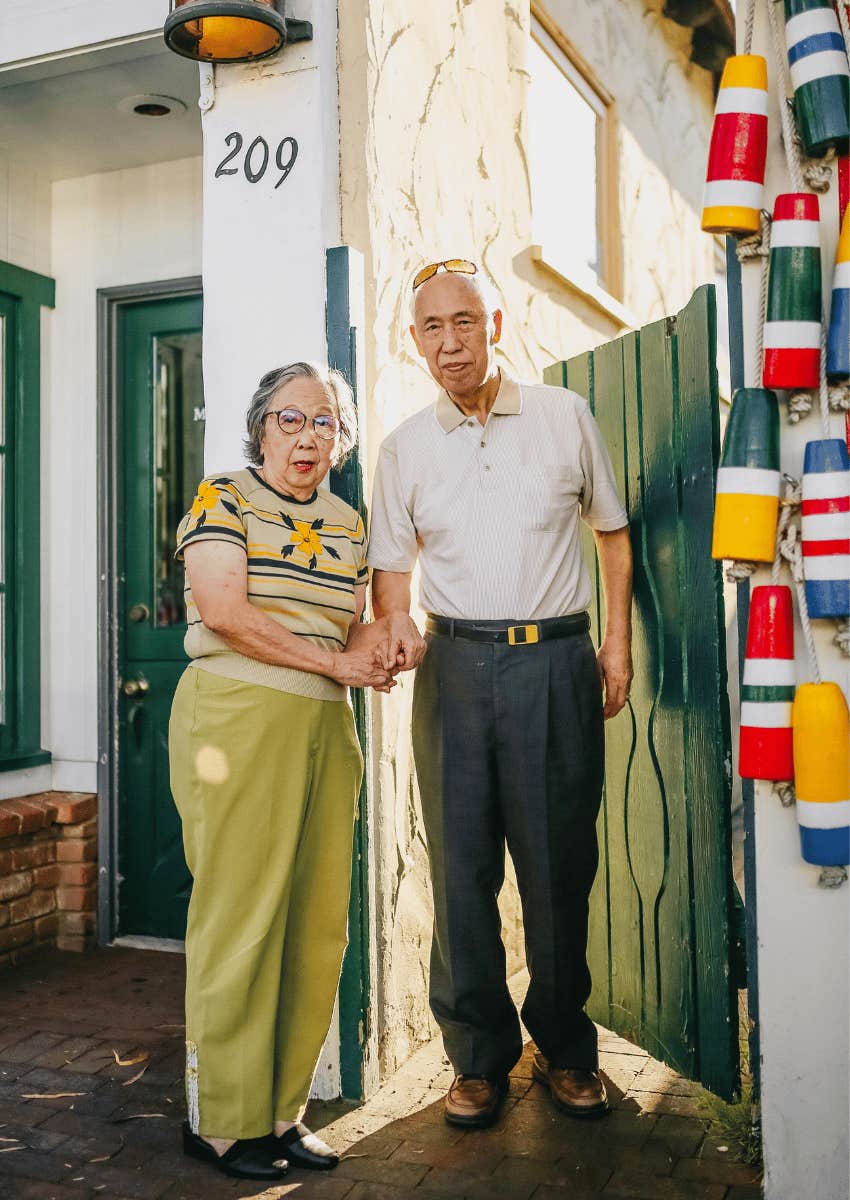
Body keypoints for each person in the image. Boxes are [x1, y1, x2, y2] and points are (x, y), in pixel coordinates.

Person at [369, 259, 633, 1129]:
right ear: (415, 343)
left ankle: (563, 1048)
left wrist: (616, 643)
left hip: (554, 662)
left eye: (464, 322)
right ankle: (478, 1058)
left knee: (559, 868)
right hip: (452, 669)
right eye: (432, 329)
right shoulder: (404, 447)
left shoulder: (565, 417)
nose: (450, 343)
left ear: (496, 325)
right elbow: (392, 573)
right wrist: (397, 622)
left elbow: (613, 536)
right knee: (460, 869)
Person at [169, 361, 396, 1180]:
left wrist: (384, 648)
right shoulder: (222, 497)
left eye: (326, 423)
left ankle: (280, 1113)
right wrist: (336, 664)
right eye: (290, 420)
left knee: (315, 922)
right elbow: (225, 612)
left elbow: (357, 630)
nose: (308, 437)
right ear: (261, 427)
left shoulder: (346, 520)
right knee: (240, 917)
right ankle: (223, 1122)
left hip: (325, 728)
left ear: (343, 437)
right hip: (235, 714)